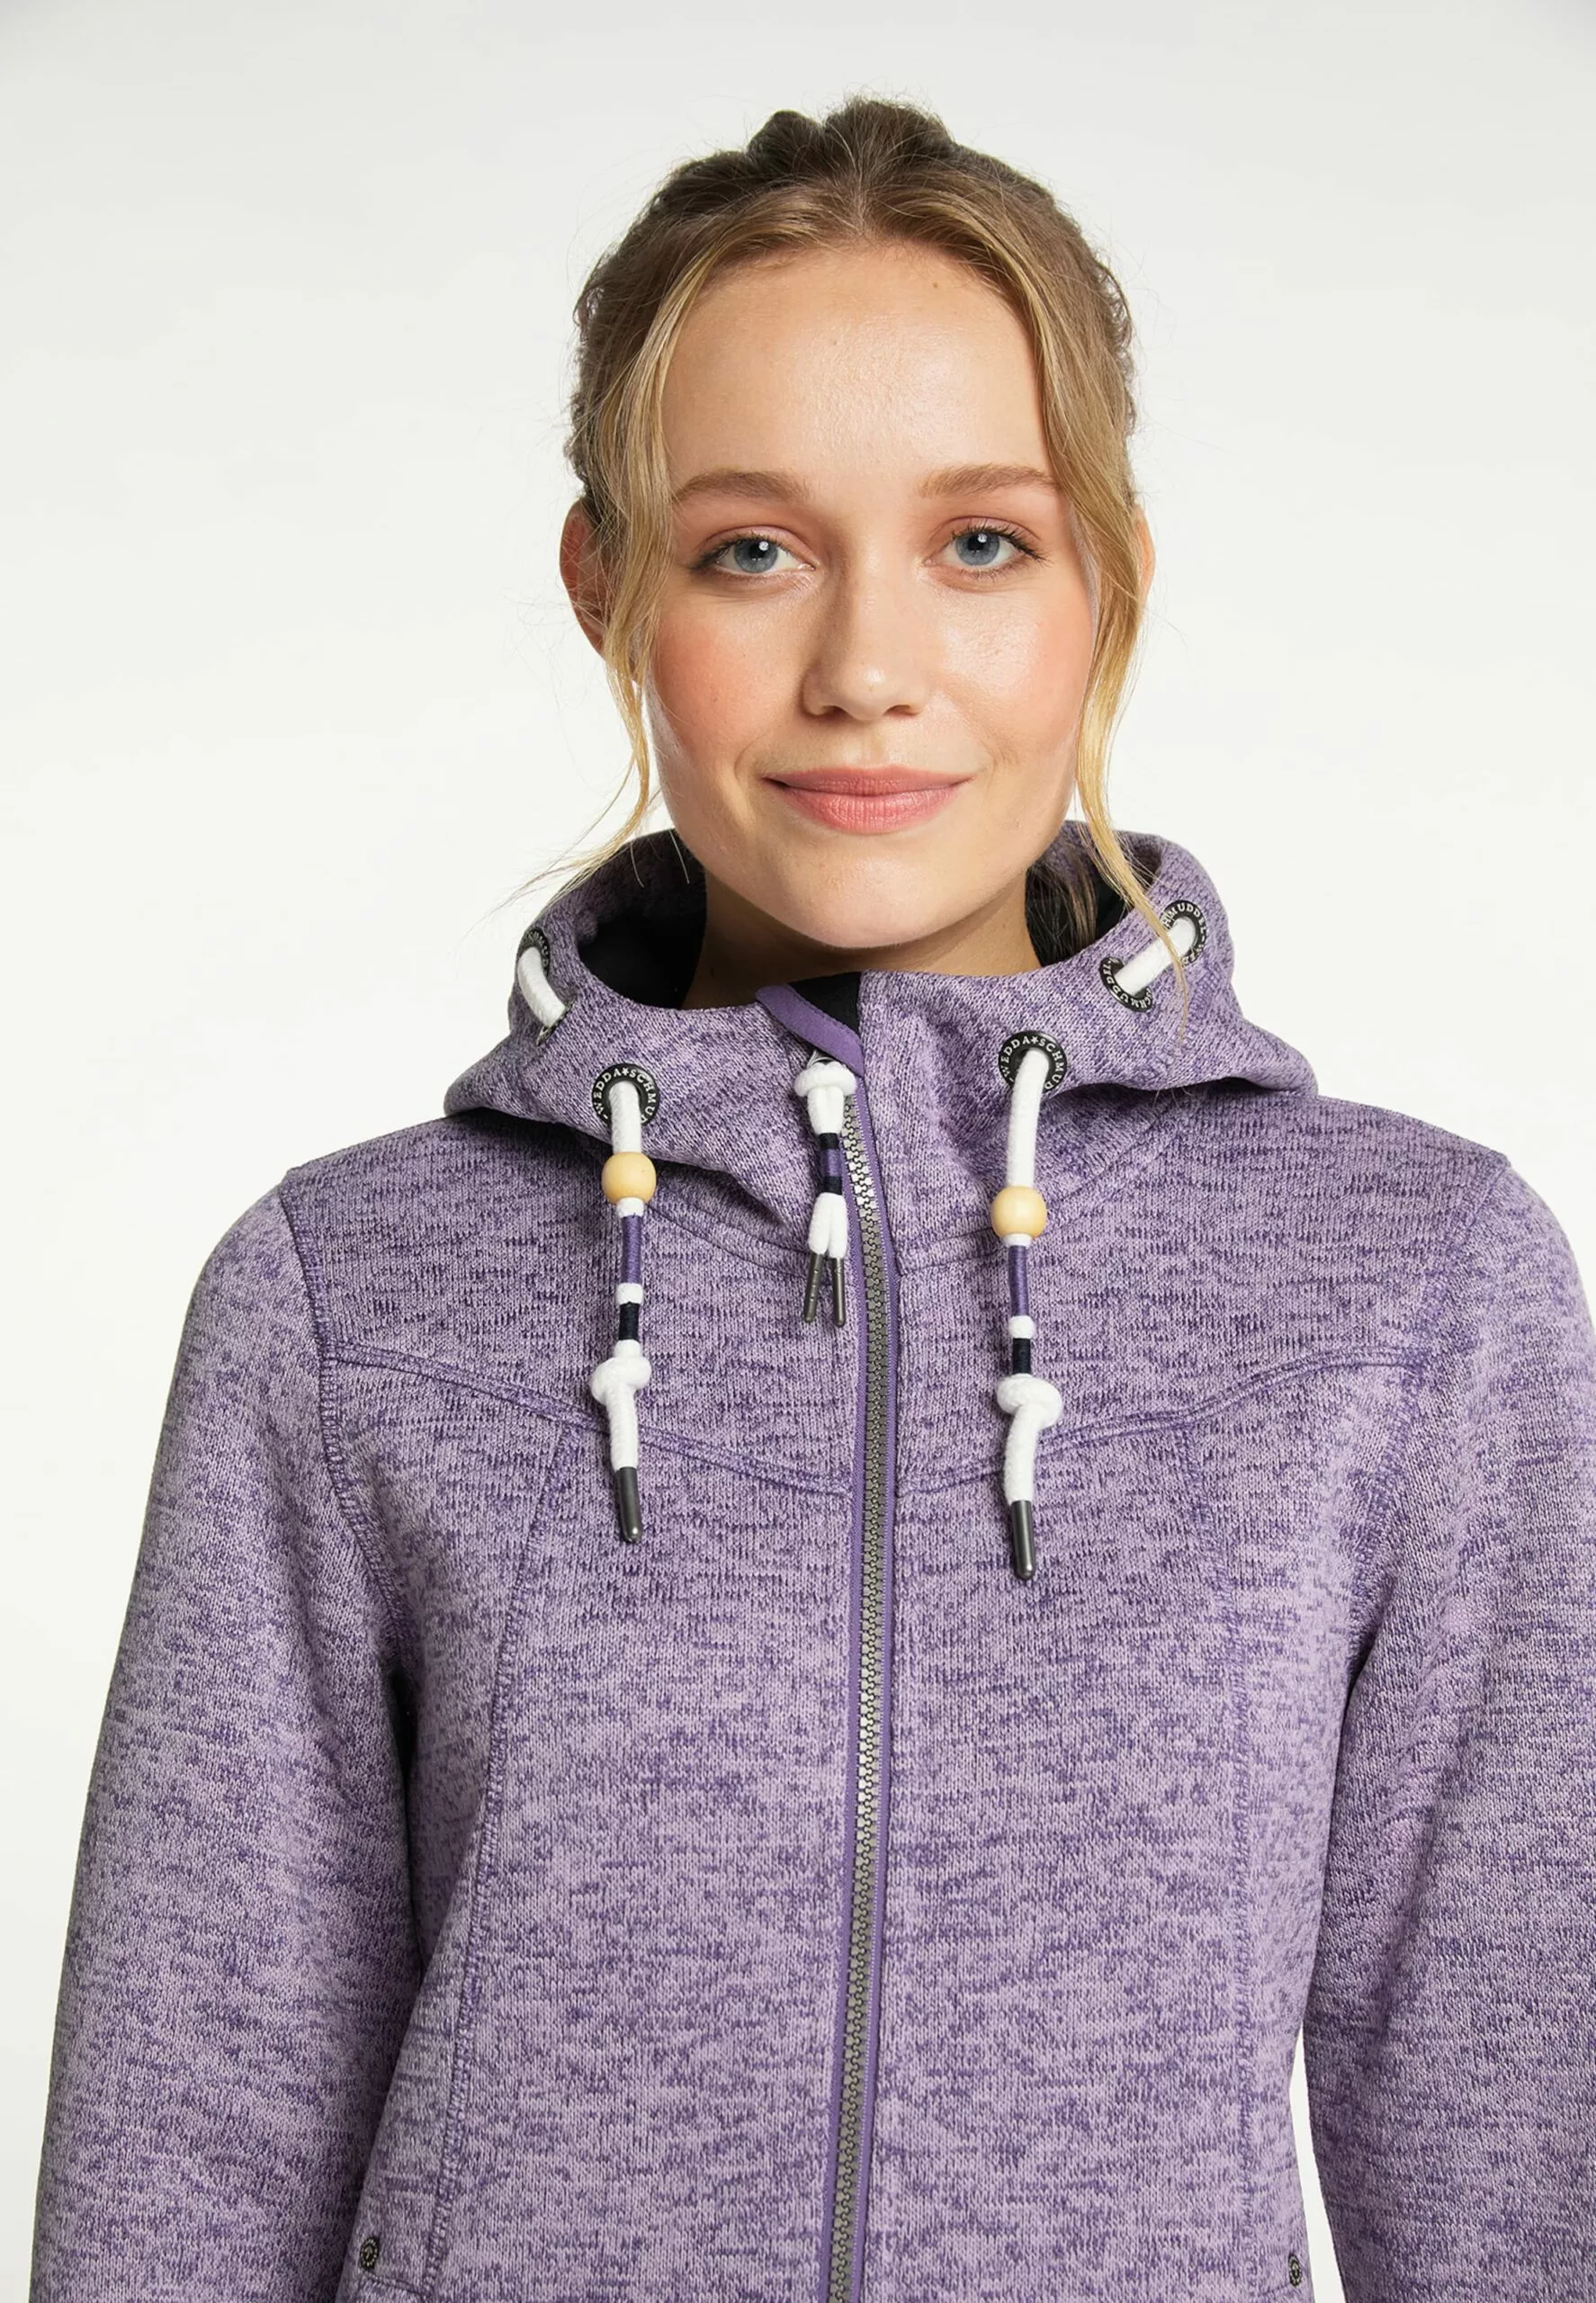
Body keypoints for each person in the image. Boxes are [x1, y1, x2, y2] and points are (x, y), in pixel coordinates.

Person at [28, 94, 1596, 2303]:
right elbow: (188, 2149)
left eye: (980, 542)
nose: (865, 665)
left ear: (1107, 579)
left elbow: (1516, 2154)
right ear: (607, 586)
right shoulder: (347, 1294)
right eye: (750, 549)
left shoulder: (1406, 1287)